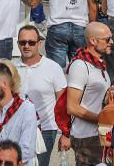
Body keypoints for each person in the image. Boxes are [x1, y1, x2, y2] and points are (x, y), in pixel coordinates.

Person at [14, 25, 67, 165]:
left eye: (31, 42)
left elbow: (63, 103)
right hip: (16, 129)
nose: (26, 46)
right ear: (18, 44)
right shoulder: (10, 68)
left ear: (39, 43)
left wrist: (66, 134)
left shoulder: (53, 68)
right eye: (22, 42)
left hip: (45, 129)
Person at [63, 22, 114, 166]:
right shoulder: (80, 66)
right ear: (93, 41)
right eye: (107, 39)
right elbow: (72, 107)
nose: (112, 42)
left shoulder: (99, 64)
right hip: (86, 138)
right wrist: (101, 119)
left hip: (99, 136)